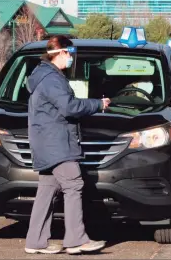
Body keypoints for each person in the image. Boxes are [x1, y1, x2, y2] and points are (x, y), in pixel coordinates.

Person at [25, 36, 110, 255]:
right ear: (61, 53)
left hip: (47, 142)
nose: (71, 58)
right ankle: (76, 240)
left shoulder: (43, 76)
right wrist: (97, 104)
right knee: (74, 185)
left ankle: (35, 241)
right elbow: (69, 107)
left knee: (47, 189)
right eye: (69, 54)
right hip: (57, 143)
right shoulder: (51, 79)